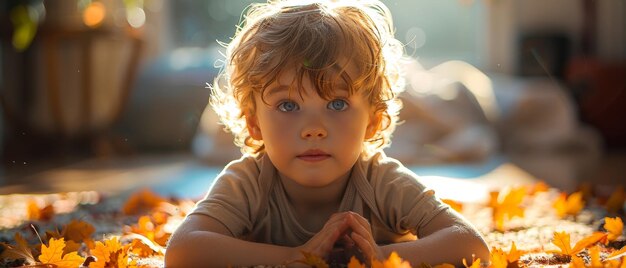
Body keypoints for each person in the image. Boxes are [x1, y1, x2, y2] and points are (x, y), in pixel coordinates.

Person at [165, 0, 489, 267]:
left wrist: (380, 256)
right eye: (288, 106)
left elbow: (471, 244)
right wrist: (293, 257)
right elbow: (182, 252)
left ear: (373, 121)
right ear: (254, 124)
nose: (314, 129)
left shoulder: (381, 180)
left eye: (336, 104)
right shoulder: (249, 181)